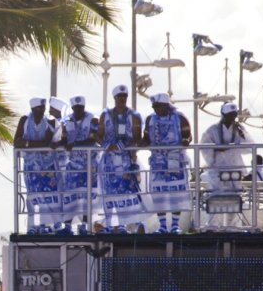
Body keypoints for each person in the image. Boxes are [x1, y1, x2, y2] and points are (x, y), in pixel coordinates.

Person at [96, 84, 145, 232]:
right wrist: (106, 145)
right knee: (109, 191)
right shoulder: (105, 114)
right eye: (120, 97)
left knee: (126, 192)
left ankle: (125, 224)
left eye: (124, 97)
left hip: (126, 159)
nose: (122, 99)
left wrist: (125, 146)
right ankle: (111, 224)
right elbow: (99, 135)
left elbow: (138, 137)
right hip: (109, 160)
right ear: (115, 98)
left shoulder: (134, 115)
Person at [143, 92, 193, 233]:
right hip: (158, 164)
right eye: (154, 106)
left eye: (158, 106)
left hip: (176, 161)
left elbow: (188, 135)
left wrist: (186, 141)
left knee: (177, 194)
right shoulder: (150, 119)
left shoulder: (180, 118)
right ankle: (163, 225)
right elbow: (146, 138)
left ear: (166, 105)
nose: (156, 109)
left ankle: (175, 225)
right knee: (159, 195)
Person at [199, 102, 250, 229]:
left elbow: (249, 147)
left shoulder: (240, 129)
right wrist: (217, 150)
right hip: (217, 169)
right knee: (216, 197)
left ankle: (234, 227)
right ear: (223, 115)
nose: (231, 118)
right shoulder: (212, 130)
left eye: (233, 115)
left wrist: (241, 137)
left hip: (234, 168)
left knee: (235, 197)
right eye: (229, 115)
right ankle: (213, 226)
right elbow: (204, 147)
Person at [13, 97, 58, 234]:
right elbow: (17, 142)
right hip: (31, 165)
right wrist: (36, 144)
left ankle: (46, 225)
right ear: (33, 109)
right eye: (39, 108)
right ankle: (32, 226)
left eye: (43, 108)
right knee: (32, 195)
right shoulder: (25, 120)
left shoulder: (49, 121)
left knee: (47, 195)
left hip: (46, 165)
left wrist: (29, 143)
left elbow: (49, 142)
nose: (41, 111)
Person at [57, 94, 99, 235]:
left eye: (80, 108)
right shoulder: (67, 120)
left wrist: (74, 144)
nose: (78, 111)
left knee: (88, 197)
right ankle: (67, 227)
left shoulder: (92, 119)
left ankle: (84, 226)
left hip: (90, 164)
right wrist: (56, 144)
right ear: (73, 108)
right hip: (74, 165)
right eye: (76, 108)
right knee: (70, 196)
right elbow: (64, 139)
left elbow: (92, 140)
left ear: (84, 107)